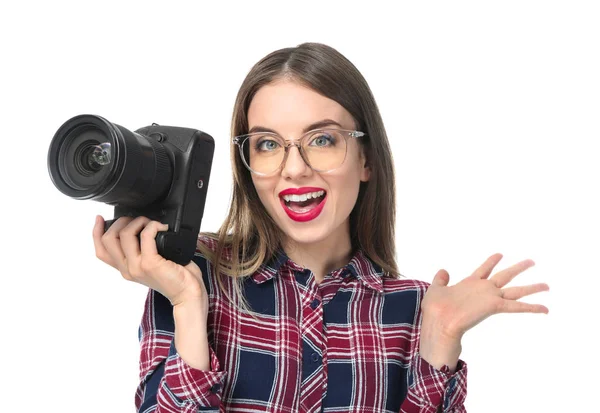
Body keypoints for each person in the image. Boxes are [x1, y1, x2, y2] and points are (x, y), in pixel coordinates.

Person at [92, 42, 549, 413]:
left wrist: (440, 338)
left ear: (367, 158)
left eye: (323, 140)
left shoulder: (416, 308)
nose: (294, 169)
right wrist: (188, 305)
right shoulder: (192, 275)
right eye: (268, 144)